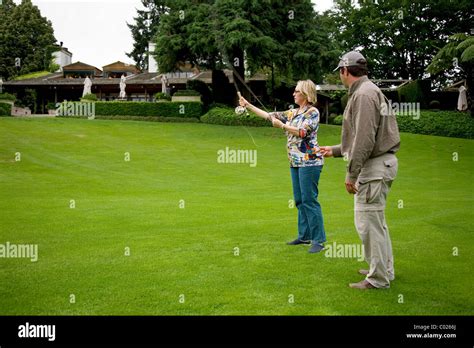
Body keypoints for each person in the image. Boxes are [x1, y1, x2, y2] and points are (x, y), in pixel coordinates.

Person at [320, 51, 401, 289]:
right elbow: (362, 138)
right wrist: (335, 150)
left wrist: (351, 173)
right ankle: (383, 269)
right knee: (377, 222)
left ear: (346, 70)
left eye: (340, 72)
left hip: (374, 167)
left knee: (368, 224)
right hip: (381, 163)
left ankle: (377, 279)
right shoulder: (370, 91)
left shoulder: (364, 95)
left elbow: (365, 139)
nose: (340, 77)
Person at [239, 80, 326, 253]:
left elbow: (302, 132)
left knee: (309, 200)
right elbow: (268, 116)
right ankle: (304, 236)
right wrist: (248, 105)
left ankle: (319, 240)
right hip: (294, 161)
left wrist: (283, 126)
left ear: (305, 94)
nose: (293, 94)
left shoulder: (312, 112)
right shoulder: (292, 112)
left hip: (310, 161)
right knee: (300, 200)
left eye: (296, 91)